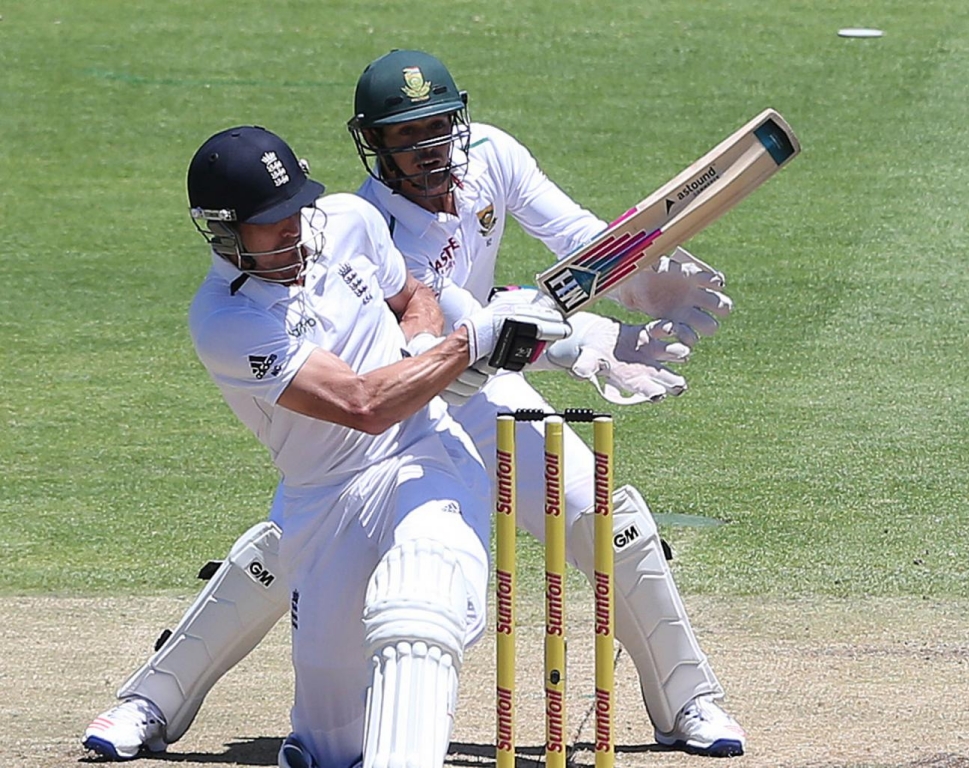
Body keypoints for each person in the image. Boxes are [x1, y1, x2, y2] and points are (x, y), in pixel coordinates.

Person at [83, 53, 745, 762]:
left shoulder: (486, 156)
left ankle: (688, 702)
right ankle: (151, 700)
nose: (431, 148)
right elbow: (463, 319)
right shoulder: (369, 221)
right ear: (374, 143)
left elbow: (571, 239)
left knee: (597, 515)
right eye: (407, 136)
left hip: (469, 378)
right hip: (406, 387)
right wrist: (568, 345)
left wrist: (635, 286)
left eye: (440, 127)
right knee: (288, 551)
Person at [84, 124, 570, 768]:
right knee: (330, 747)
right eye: (269, 223)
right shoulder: (228, 322)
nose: (293, 230)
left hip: (425, 454)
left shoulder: (348, 220)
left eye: (296, 210)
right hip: (325, 503)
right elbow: (361, 405)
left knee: (417, 611)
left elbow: (413, 297)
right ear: (222, 230)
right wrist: (465, 346)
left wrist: (423, 348)